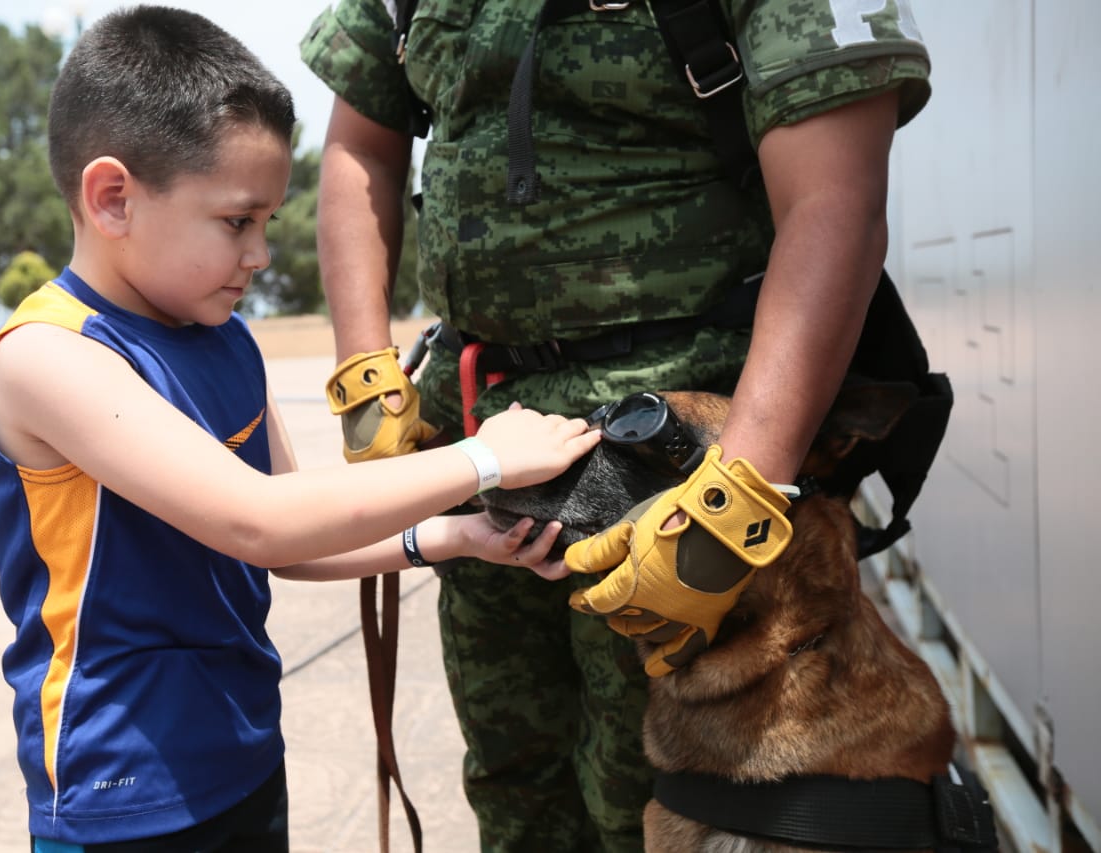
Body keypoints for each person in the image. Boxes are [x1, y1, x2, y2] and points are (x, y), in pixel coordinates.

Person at [0, 6, 600, 851]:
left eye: (267, 221)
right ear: (112, 197)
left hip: (243, 751)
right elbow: (255, 520)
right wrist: (484, 457)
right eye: (237, 221)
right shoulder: (47, 358)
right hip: (124, 789)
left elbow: (293, 529)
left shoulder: (222, 338)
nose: (261, 254)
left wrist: (455, 536)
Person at [301, 1, 931, 849]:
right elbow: (360, 142)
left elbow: (836, 201)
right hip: (480, 427)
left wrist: (735, 500)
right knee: (512, 773)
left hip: (681, 447)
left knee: (666, 799)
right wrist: (363, 368)